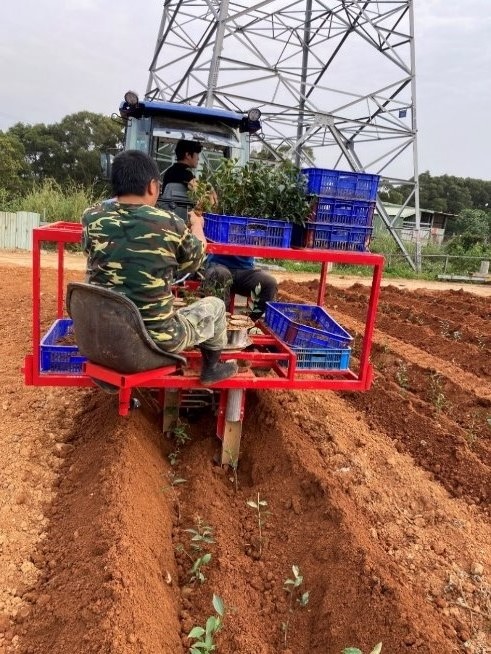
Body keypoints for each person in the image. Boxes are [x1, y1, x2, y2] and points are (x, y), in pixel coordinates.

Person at [81, 150, 237, 386]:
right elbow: (195, 260)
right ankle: (212, 368)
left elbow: (88, 252)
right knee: (215, 306)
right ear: (153, 186)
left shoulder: (91, 217)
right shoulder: (170, 223)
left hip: (100, 334)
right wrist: (197, 226)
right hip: (155, 342)